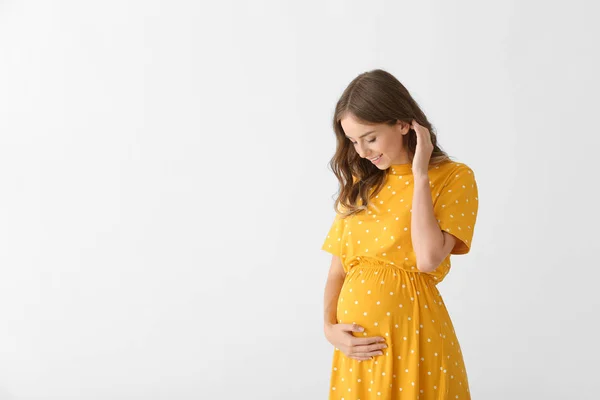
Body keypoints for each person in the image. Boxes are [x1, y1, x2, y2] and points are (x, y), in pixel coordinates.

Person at [321, 69, 479, 399]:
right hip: (358, 353)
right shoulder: (359, 184)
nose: (362, 151)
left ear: (404, 124)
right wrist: (329, 329)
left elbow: (427, 258)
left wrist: (420, 175)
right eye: (353, 141)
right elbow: (338, 270)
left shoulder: (454, 178)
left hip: (415, 341)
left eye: (371, 137)